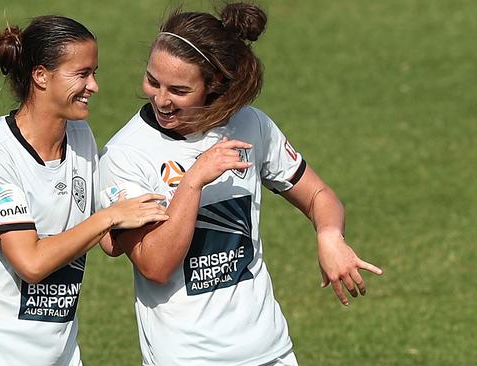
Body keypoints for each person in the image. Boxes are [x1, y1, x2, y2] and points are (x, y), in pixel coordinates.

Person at [98, 3, 383, 365]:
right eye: (153, 81)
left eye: (179, 90)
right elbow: (155, 266)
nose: (161, 99)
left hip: (271, 350)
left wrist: (329, 236)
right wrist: (195, 179)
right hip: (188, 358)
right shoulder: (125, 155)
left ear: (213, 83)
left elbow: (317, 194)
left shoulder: (250, 125)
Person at [0, 15, 168, 366]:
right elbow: (30, 263)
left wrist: (172, 197)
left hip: (59, 354)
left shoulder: (79, 138)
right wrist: (111, 215)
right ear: (41, 76)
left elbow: (106, 240)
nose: (94, 86)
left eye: (94, 73)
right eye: (82, 74)